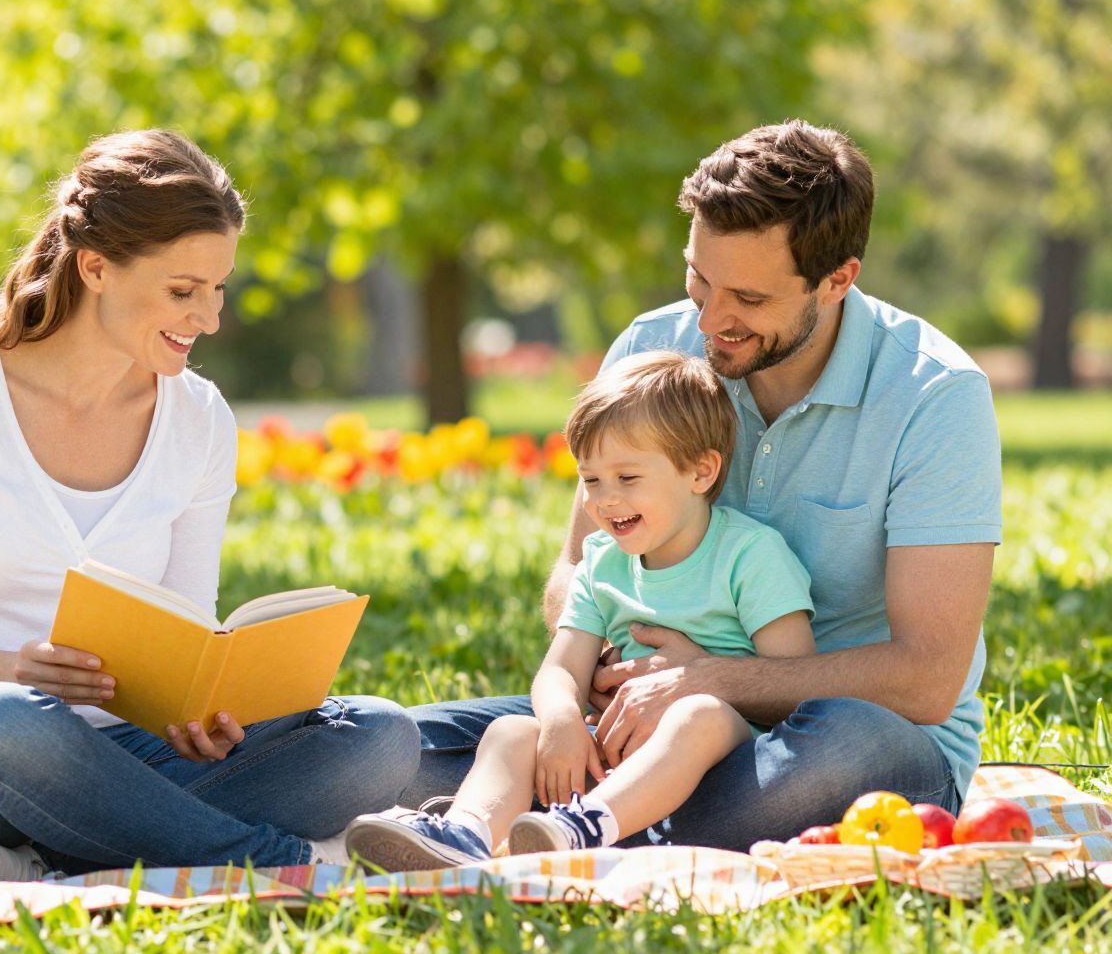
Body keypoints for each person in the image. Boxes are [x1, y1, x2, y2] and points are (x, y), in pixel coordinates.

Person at [0, 129, 419, 886]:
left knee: (379, 738)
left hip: (132, 757)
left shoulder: (198, 418)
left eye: (218, 289)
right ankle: (281, 864)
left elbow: (187, 628)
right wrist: (12, 670)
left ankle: (48, 856)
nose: (208, 318)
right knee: (2, 719)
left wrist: (199, 714)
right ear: (96, 267)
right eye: (183, 291)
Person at [403, 120, 1001, 851]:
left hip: (844, 740)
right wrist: (606, 672)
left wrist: (710, 680)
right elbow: (579, 567)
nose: (711, 320)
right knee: (386, 745)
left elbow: (927, 678)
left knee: (842, 742)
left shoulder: (933, 394)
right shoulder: (652, 351)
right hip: (647, 720)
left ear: (837, 280)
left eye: (747, 297)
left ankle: (545, 821)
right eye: (699, 279)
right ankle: (557, 818)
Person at [347, 352, 815, 868]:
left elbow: (793, 684)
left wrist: (705, 677)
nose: (605, 500)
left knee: (697, 714)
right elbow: (562, 668)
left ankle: (583, 827)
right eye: (591, 480)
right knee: (512, 731)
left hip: (730, 762)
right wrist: (562, 720)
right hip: (617, 749)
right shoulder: (603, 563)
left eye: (627, 478)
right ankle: (464, 836)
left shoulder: (750, 555)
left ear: (701, 471)